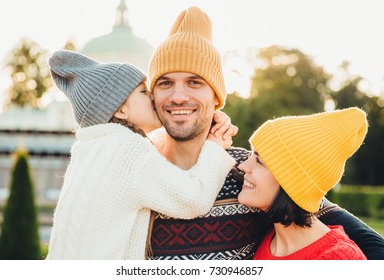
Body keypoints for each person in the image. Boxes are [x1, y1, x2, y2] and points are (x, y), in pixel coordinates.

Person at [147, 6, 384, 260]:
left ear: (216, 97)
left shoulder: (245, 174)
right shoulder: (135, 171)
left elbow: (360, 242)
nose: (179, 97)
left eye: (195, 82)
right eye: (165, 83)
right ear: (152, 96)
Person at [45, 50, 237, 259]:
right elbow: (194, 199)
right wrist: (215, 146)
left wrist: (205, 116)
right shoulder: (128, 150)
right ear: (120, 111)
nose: (154, 98)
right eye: (143, 92)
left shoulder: (90, 149)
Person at [238, 108, 367, 260]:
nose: (242, 166)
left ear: (292, 182)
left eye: (259, 161)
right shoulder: (264, 243)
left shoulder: (340, 260)